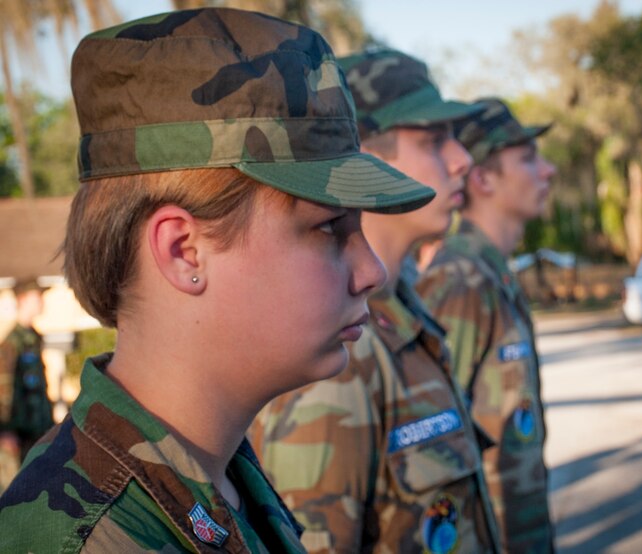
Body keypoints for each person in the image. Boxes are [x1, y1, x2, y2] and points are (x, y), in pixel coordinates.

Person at [0, 9, 435, 552]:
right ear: (185, 252)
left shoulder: (220, 476)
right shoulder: (88, 538)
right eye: (328, 228)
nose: (372, 271)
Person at [251, 49, 502, 553]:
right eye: (434, 141)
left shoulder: (404, 310)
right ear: (364, 154)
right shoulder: (338, 349)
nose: (462, 159)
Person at [417, 97, 557, 552]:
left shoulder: (494, 274)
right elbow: (438, 444)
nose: (547, 170)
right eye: (528, 158)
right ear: (483, 179)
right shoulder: (460, 281)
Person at [0, 280, 54, 484]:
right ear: (23, 300)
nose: (41, 301)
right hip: (17, 436)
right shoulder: (12, 343)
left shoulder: (33, 339)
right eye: (36, 296)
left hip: (38, 432)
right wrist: (5, 429)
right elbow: (2, 387)